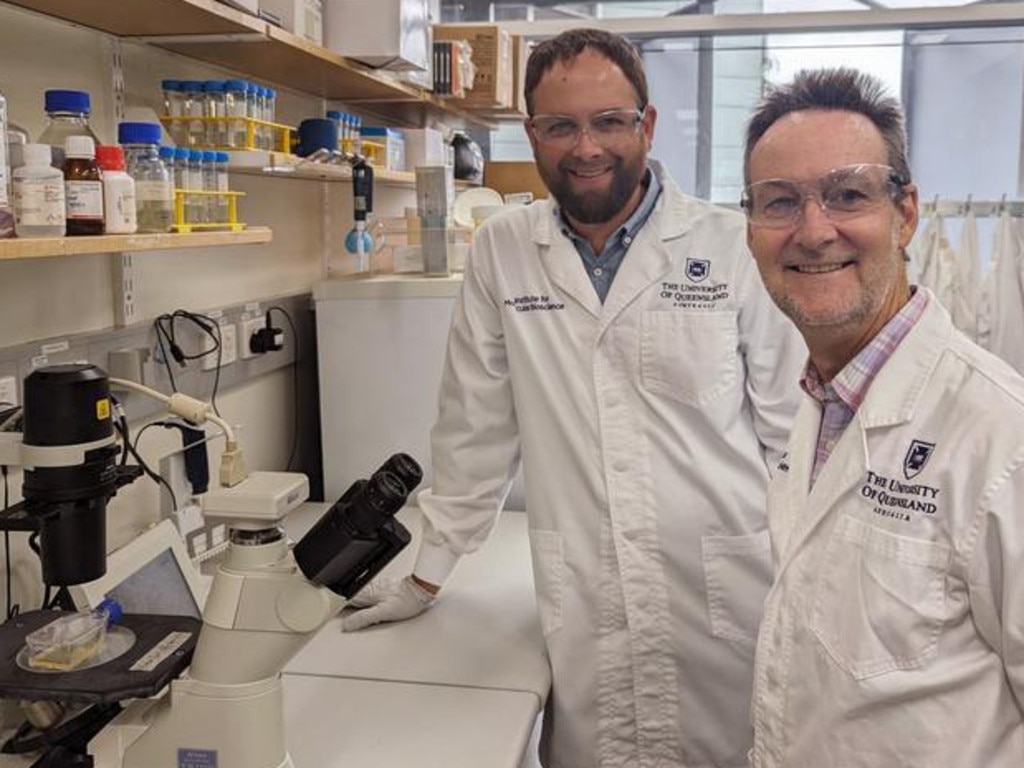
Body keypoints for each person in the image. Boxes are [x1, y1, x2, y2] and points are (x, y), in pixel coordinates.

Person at [344, 28, 804, 768]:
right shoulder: (504, 250)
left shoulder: (730, 247)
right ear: (532, 136)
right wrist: (429, 569)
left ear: (645, 126)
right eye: (561, 126)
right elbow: (475, 428)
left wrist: (819, 591)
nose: (586, 147)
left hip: (725, 599)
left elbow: (794, 438)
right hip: (587, 599)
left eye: (609, 122)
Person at [742, 67, 1024, 768]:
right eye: (779, 202)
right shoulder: (818, 404)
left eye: (847, 194)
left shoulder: (1001, 439)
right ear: (747, 230)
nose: (813, 231)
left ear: (904, 214)